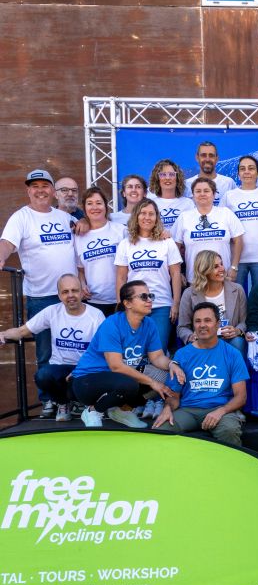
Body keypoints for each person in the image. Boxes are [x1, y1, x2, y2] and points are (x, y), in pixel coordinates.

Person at [0, 169, 77, 415]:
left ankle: (74, 399)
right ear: (28, 191)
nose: (40, 190)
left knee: (76, 348)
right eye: (35, 186)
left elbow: (84, 231)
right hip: (41, 296)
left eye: (45, 186)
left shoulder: (65, 217)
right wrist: (1, 258)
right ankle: (49, 400)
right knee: (45, 351)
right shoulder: (21, 217)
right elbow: (7, 243)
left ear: (53, 191)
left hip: (72, 295)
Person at [71, 280, 176, 428]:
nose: (149, 300)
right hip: (87, 382)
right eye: (143, 297)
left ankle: (121, 410)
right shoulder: (112, 324)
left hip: (119, 379)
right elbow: (116, 366)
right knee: (131, 384)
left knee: (168, 377)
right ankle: (93, 411)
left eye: (150, 296)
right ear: (127, 303)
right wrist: (152, 382)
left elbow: (157, 357)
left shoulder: (149, 323)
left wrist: (173, 365)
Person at [0, 274, 104, 421]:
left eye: (74, 290)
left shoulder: (96, 315)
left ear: (82, 293)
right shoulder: (52, 311)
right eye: (65, 292)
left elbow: (102, 351)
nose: (70, 295)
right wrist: (3, 334)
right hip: (60, 368)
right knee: (42, 376)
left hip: (85, 369)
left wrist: (80, 370)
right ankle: (63, 403)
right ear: (59, 296)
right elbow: (22, 331)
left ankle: (83, 402)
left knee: (94, 376)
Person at [153, 302, 249, 446]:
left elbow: (241, 397)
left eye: (207, 320)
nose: (202, 325)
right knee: (161, 429)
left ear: (218, 324)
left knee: (229, 430)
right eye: (197, 321)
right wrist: (167, 408)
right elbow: (174, 396)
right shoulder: (182, 354)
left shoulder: (232, 354)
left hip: (220, 409)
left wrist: (221, 411)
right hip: (188, 410)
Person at [114, 199, 183, 352]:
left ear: (157, 217)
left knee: (157, 350)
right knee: (134, 351)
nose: (147, 217)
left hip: (161, 305)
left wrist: (176, 303)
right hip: (133, 306)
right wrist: (120, 305)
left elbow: (176, 273)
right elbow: (121, 277)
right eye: (143, 213)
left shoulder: (167, 242)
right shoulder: (125, 244)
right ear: (136, 216)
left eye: (151, 214)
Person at [171, 176, 244, 283]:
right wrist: (178, 272)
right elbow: (174, 247)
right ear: (193, 195)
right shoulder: (184, 217)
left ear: (214, 194)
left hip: (223, 277)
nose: (202, 194)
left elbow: (238, 241)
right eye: (198, 191)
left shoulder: (226, 213)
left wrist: (234, 267)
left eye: (206, 191)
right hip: (195, 280)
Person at [220, 155, 258, 291]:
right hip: (236, 258)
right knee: (234, 297)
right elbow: (222, 223)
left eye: (251, 168)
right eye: (242, 169)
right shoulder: (229, 196)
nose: (246, 172)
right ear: (238, 173)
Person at [178, 249, 246, 353]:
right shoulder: (189, 293)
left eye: (221, 264)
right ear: (204, 270)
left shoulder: (237, 289)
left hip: (229, 340)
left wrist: (237, 330)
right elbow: (182, 327)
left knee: (238, 341)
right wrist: (191, 336)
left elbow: (244, 322)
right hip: (203, 341)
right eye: (215, 267)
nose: (222, 269)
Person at [75, 186, 126, 316]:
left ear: (106, 206)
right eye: (89, 203)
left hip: (121, 299)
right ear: (84, 208)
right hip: (93, 301)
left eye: (99, 203)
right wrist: (82, 284)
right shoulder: (78, 237)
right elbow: (80, 270)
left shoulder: (120, 230)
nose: (95, 207)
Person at [147, 159, 194, 231]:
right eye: (163, 174)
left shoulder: (188, 203)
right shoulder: (151, 205)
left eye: (171, 174)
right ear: (157, 179)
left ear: (177, 178)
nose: (167, 178)